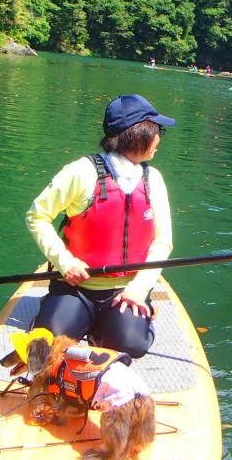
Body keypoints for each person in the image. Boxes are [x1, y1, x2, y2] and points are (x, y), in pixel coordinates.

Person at [25, 94, 175, 358]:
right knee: (48, 347)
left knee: (131, 346)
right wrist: (65, 262)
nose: (159, 138)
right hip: (76, 288)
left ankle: (117, 323)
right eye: (158, 130)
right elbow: (37, 216)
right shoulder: (81, 172)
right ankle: (72, 318)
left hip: (126, 289)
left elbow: (162, 242)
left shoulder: (154, 180)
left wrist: (138, 290)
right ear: (139, 134)